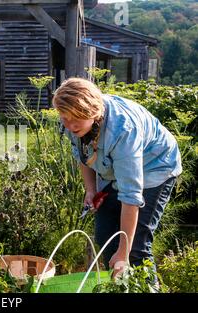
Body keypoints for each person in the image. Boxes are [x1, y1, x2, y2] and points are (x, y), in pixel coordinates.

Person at [52, 78, 182, 277]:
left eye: (74, 119)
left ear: (93, 113)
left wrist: (123, 253)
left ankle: (146, 287)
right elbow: (83, 154)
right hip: (115, 169)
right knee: (106, 236)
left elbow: (131, 196)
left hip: (155, 166)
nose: (68, 125)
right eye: (64, 118)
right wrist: (90, 189)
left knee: (135, 246)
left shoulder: (122, 130)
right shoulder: (74, 124)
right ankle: (118, 286)